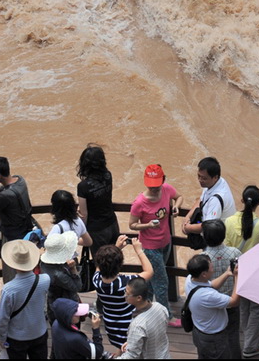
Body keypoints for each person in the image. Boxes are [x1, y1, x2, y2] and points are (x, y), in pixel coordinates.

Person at [128, 163, 182, 324]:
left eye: (157, 186)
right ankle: (167, 316)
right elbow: (132, 225)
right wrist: (148, 225)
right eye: (151, 186)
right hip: (150, 248)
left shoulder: (167, 189)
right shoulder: (139, 203)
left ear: (163, 180)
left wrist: (176, 208)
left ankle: (145, 309)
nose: (154, 189)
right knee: (162, 281)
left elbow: (179, 197)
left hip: (165, 242)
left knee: (152, 279)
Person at [224, 185, 259, 358]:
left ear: (241, 201)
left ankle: (249, 339)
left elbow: (228, 247)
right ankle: (251, 346)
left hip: (237, 271)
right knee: (256, 310)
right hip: (256, 272)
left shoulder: (228, 221)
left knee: (243, 308)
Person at [93, 236, 154, 349]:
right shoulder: (125, 283)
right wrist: (139, 250)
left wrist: (116, 248)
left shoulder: (96, 280)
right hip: (129, 329)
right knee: (131, 349)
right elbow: (149, 271)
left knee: (122, 348)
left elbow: (100, 266)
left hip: (112, 329)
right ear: (120, 264)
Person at [0, 156, 35, 284]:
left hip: (12, 236)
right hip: (26, 231)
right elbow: (3, 190)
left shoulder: (5, 196)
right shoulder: (20, 180)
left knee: (12, 271)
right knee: (26, 268)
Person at [0, 239, 51, 359]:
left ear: (12, 263)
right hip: (39, 332)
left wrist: (2, 339)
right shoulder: (45, 280)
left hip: (16, 338)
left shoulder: (8, 289)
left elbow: (2, 320)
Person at [183, 253, 240, 359]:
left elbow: (211, 285)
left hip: (199, 331)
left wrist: (227, 273)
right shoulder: (208, 296)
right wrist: (237, 276)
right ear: (204, 274)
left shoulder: (190, 278)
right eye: (211, 267)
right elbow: (234, 301)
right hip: (214, 339)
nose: (213, 269)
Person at [200, 219, 243, 358]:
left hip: (211, 305)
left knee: (214, 336)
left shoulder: (202, 259)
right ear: (224, 235)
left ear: (205, 237)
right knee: (233, 335)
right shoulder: (235, 253)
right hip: (232, 302)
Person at [77, 145, 121, 257]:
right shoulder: (108, 175)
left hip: (97, 231)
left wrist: (83, 233)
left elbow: (84, 214)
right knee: (114, 259)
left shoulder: (83, 186)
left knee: (101, 263)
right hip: (112, 224)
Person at [116, 277, 171, 359]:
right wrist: (132, 342)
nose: (125, 295)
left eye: (127, 294)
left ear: (138, 298)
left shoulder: (137, 325)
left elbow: (131, 356)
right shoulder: (161, 308)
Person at [182, 157, 237, 237]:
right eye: (199, 176)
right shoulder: (218, 182)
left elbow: (207, 226)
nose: (200, 180)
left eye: (204, 178)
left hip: (219, 239)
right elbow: (200, 200)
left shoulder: (216, 199)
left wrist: (188, 228)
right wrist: (187, 217)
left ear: (215, 177)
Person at [39, 231, 83, 323]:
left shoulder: (43, 264)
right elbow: (77, 287)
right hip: (66, 308)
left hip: (52, 302)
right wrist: (74, 269)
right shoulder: (59, 275)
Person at [48, 189, 94, 253]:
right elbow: (88, 242)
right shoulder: (78, 221)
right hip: (73, 259)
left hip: (61, 261)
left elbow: (48, 250)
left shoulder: (57, 228)